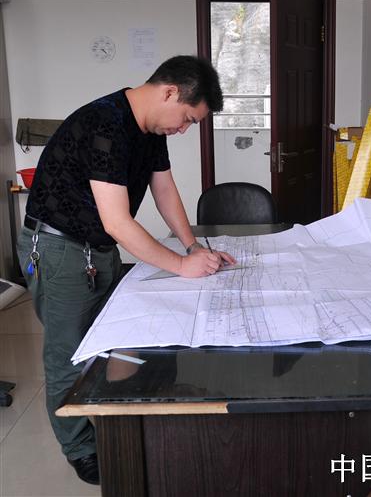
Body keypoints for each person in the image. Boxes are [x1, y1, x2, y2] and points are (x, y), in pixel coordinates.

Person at [16, 55, 235, 485]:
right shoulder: (106, 123)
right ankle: (80, 448)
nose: (184, 129)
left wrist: (193, 246)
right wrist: (181, 265)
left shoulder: (149, 130)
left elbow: (164, 188)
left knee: (115, 341)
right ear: (170, 92)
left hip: (98, 250)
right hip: (60, 250)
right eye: (188, 119)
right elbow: (118, 222)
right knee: (69, 356)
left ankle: (118, 423)